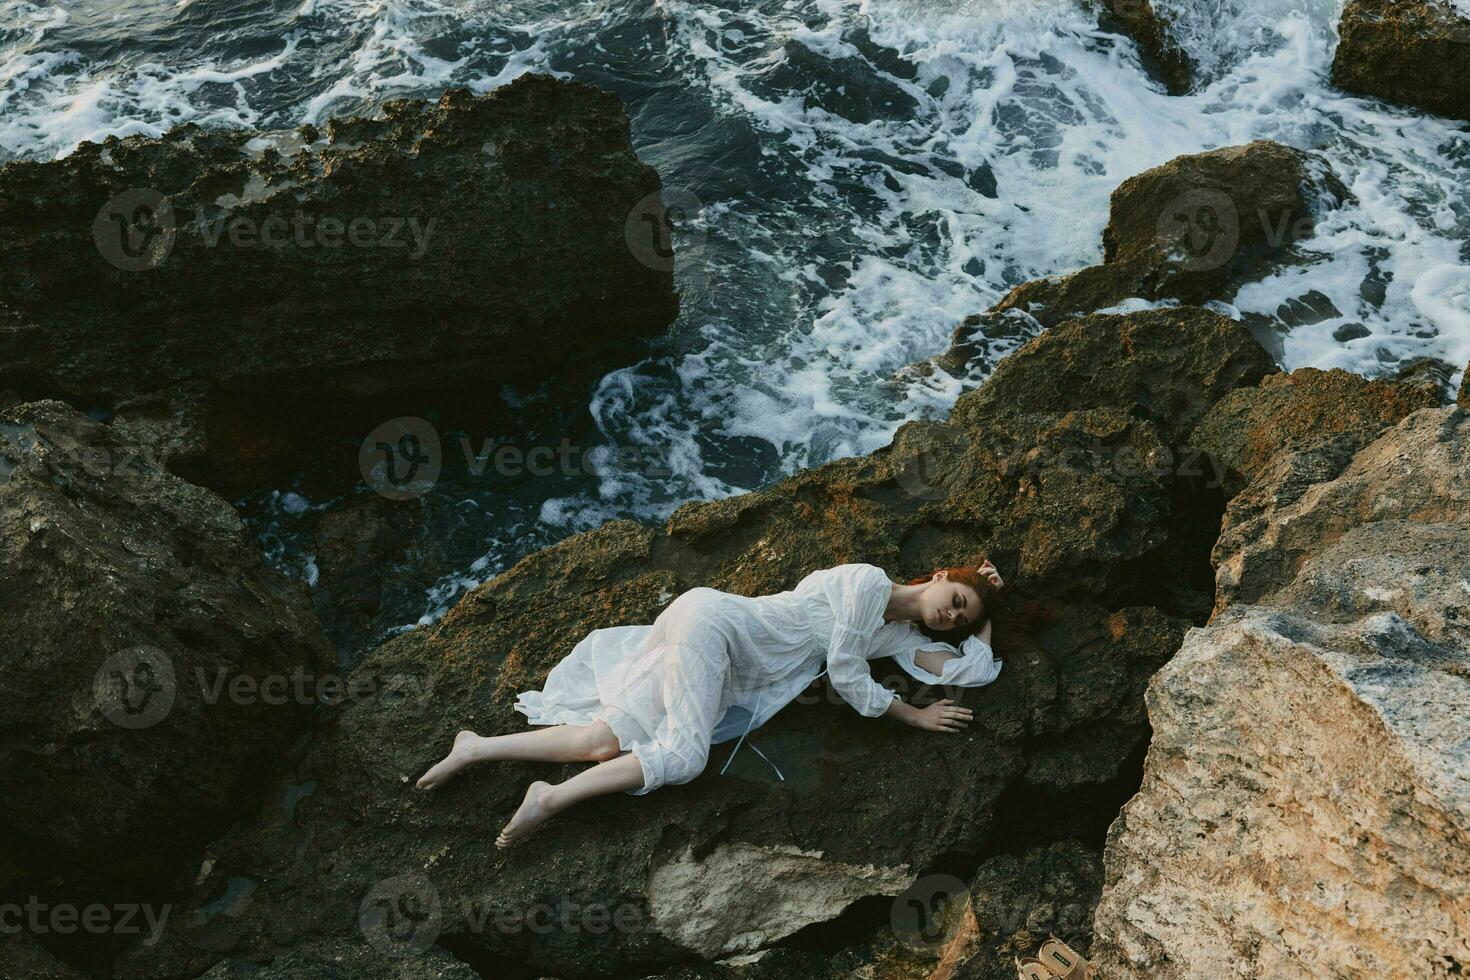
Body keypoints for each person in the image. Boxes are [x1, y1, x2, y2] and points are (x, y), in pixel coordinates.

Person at [417, 560, 1009, 847]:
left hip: (720, 657)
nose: (952, 614)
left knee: (601, 739)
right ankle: (548, 799)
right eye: (955, 597)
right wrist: (912, 714)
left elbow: (968, 671)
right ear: (936, 576)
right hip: (717, 627)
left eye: (961, 617)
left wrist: (989, 613)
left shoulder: (899, 637)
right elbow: (849, 676)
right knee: (684, 757)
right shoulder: (867, 584)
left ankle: (475, 747)